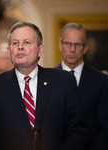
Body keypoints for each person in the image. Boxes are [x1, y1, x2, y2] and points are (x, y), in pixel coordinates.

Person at [0, 21, 89, 150]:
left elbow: (78, 132)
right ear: (9, 51)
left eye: (26, 42)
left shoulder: (64, 82)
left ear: (40, 50)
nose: (20, 47)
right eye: (15, 43)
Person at [55, 22, 108, 150]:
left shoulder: (101, 81)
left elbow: (105, 128)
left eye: (77, 44)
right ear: (60, 45)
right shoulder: (46, 80)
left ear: (85, 48)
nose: (72, 49)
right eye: (68, 44)